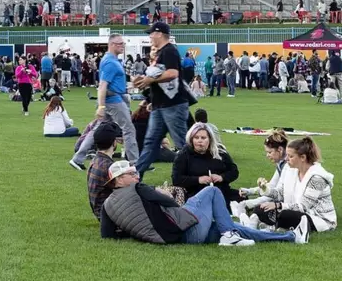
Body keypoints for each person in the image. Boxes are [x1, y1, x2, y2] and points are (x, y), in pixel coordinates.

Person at [100, 161, 297, 246]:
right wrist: (160, 191)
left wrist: (135, 228)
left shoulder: (107, 205)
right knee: (211, 191)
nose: (136, 175)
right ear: (118, 180)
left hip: (174, 237)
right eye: (130, 174)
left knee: (229, 226)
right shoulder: (139, 188)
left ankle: (288, 237)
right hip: (184, 230)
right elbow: (171, 203)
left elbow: (108, 235)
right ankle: (230, 236)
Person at [71, 34, 139, 170]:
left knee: (97, 129)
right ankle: (135, 162)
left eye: (123, 43)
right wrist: (101, 106)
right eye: (120, 43)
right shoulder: (110, 62)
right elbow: (102, 85)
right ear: (112, 44)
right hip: (113, 101)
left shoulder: (112, 60)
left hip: (113, 98)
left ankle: (78, 158)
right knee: (129, 129)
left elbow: (111, 85)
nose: (123, 46)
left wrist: (128, 87)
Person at [254, 137, 336, 242]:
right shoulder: (290, 169)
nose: (287, 159)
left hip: (319, 218)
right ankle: (272, 225)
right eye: (287, 155)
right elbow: (280, 193)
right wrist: (266, 189)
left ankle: (272, 226)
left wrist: (278, 205)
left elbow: (303, 207)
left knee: (285, 215)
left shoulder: (317, 177)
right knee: (260, 208)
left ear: (302, 157)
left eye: (291, 156)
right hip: (294, 210)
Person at [133, 22, 188, 177]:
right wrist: (145, 84)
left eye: (151, 33)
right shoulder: (161, 53)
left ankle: (197, 174)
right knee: (150, 143)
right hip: (160, 106)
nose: (150, 36)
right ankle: (136, 177)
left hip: (173, 105)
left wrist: (150, 80)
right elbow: (159, 76)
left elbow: (172, 73)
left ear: (159, 33)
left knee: (182, 143)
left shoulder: (169, 51)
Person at [230, 130, 289, 227]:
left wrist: (250, 202)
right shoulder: (281, 164)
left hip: (287, 203)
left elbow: (276, 194)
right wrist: (251, 191)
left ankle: (248, 219)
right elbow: (272, 186)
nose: (267, 155)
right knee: (251, 205)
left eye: (270, 152)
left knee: (252, 207)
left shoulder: (286, 166)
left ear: (280, 150)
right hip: (283, 201)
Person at [171, 123, 240, 204]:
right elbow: (176, 179)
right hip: (195, 193)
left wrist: (222, 177)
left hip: (221, 190)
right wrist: (198, 180)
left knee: (241, 196)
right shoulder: (183, 155)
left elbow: (234, 171)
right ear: (191, 139)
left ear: (210, 139)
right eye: (196, 138)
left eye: (203, 138)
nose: (200, 140)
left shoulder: (220, 152)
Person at [86, 122, 121, 220]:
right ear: (114, 142)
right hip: (109, 215)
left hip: (100, 211)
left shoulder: (95, 160)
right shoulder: (109, 166)